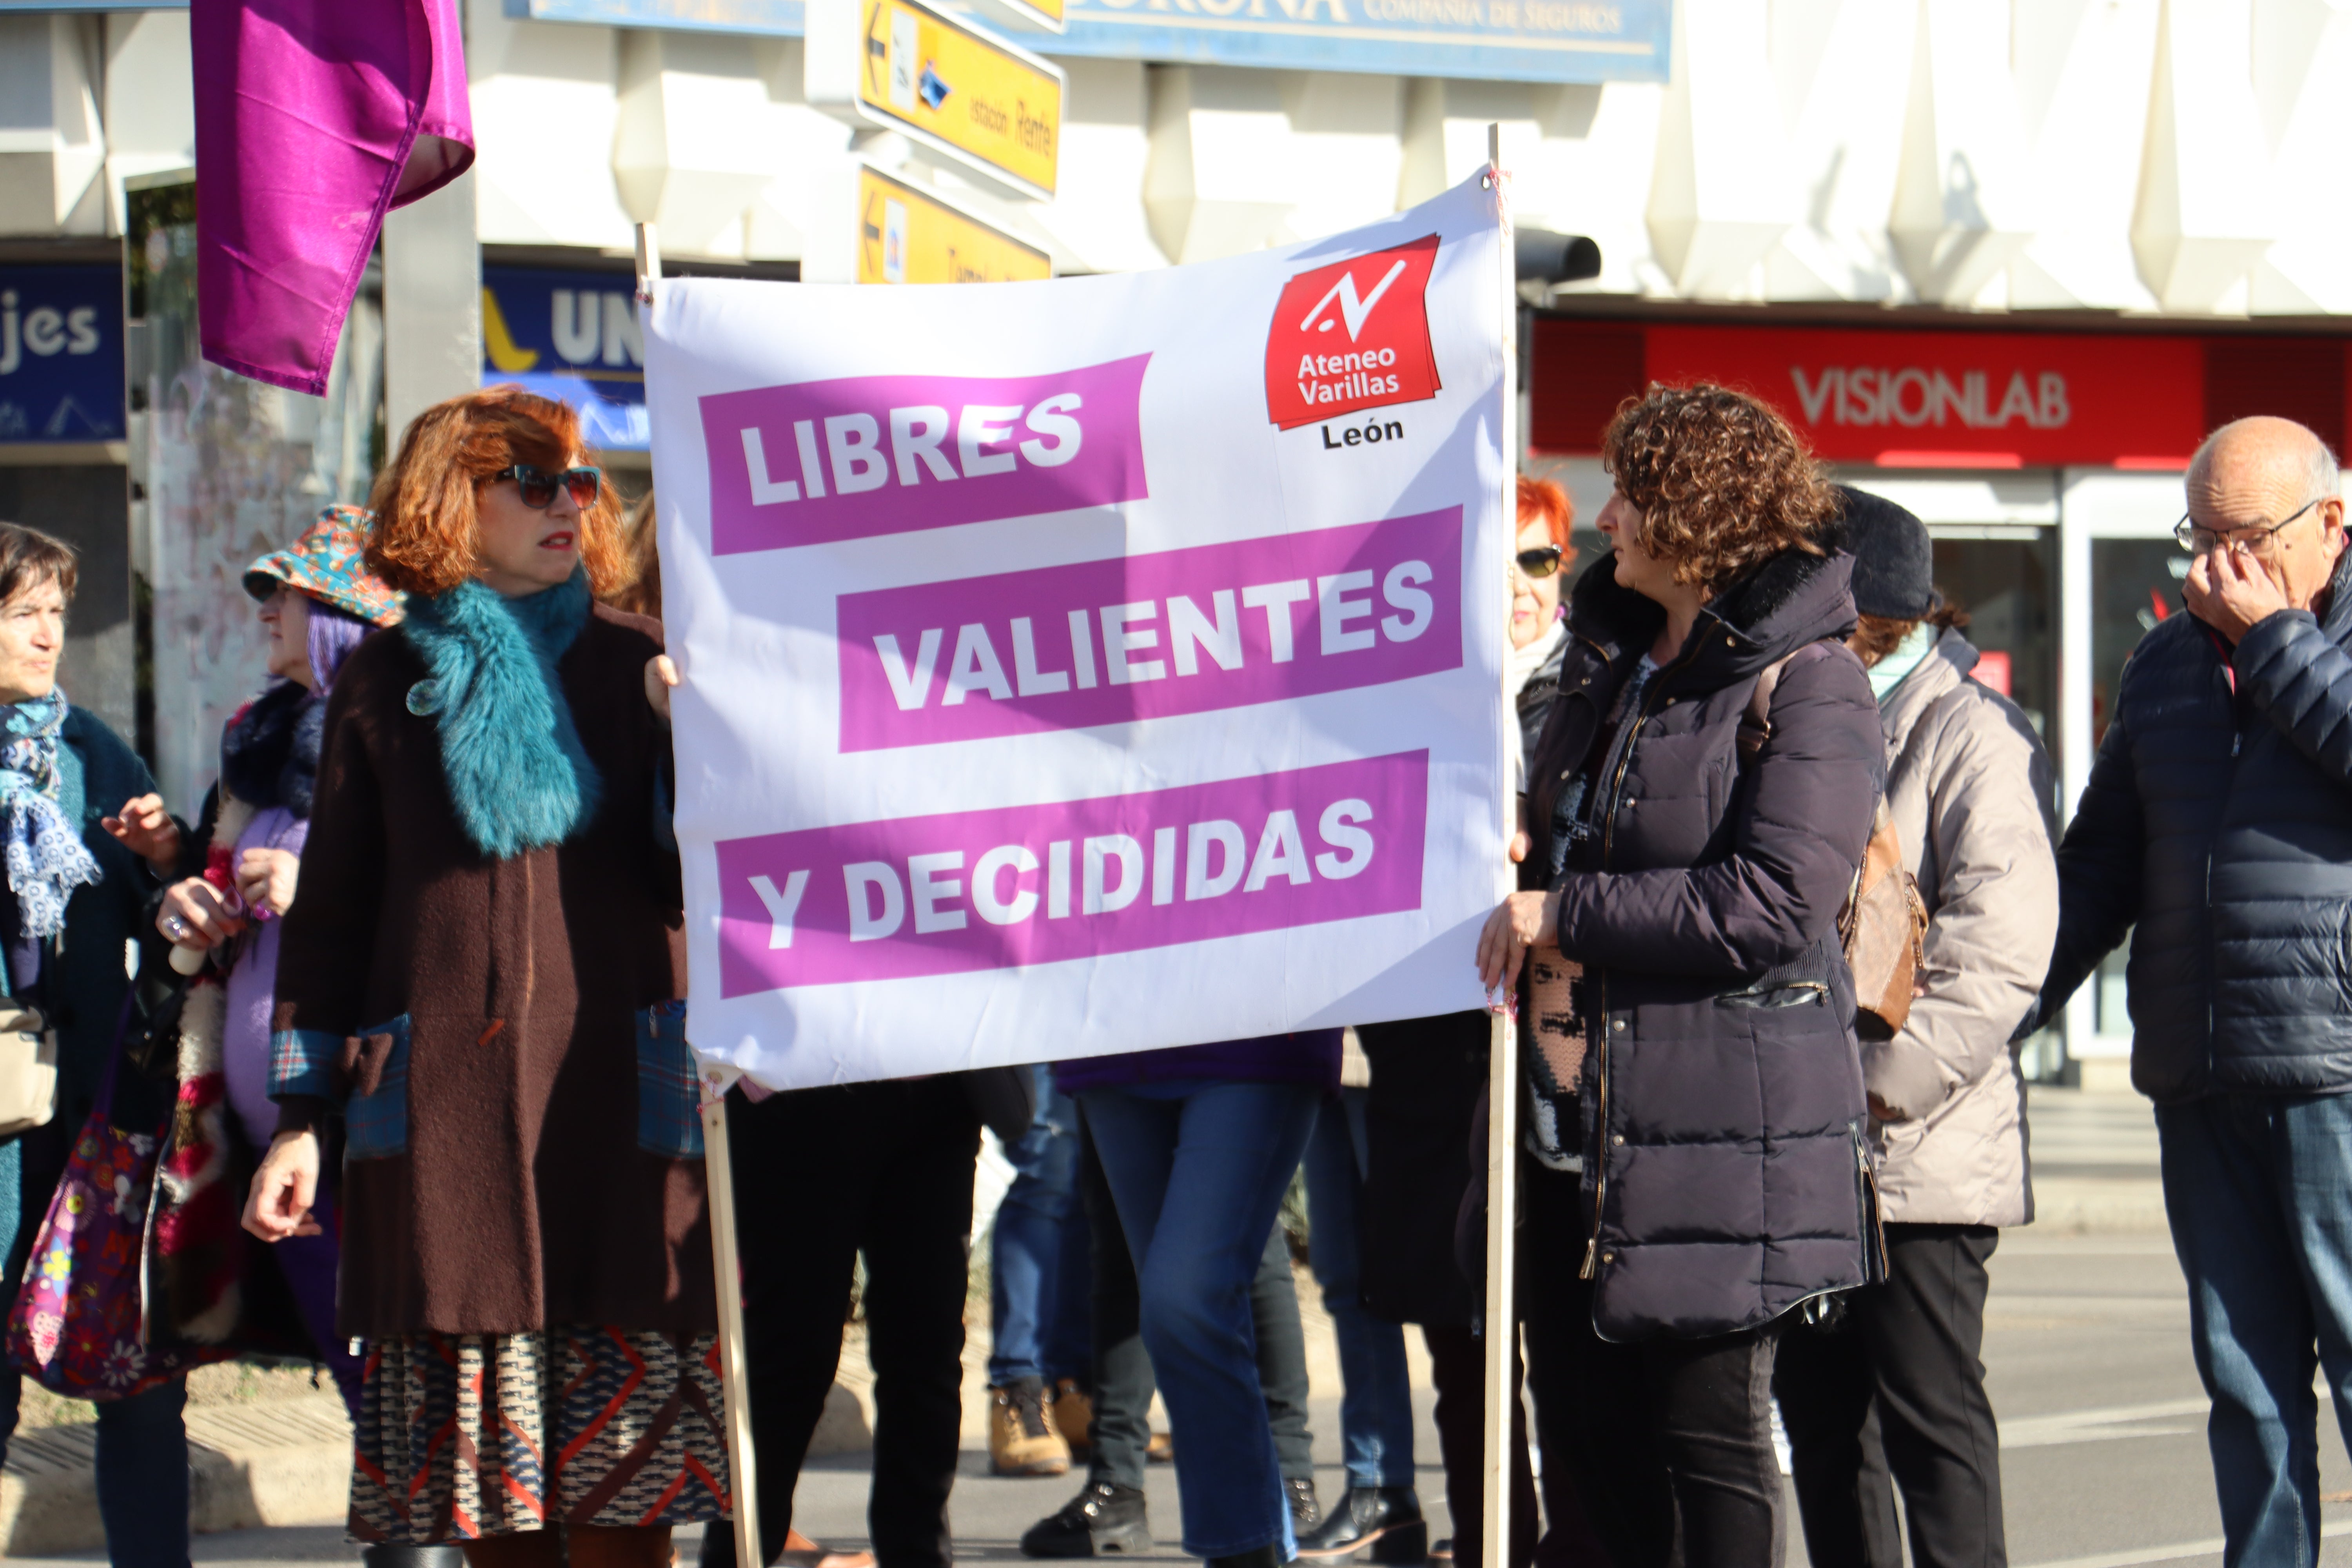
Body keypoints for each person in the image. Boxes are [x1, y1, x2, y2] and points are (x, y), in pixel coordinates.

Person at [243, 387, 726, 1568]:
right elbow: (334, 923)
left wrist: (692, 745)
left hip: (617, 1115)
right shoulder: (380, 682)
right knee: (488, 1518)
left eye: (577, 479)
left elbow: (702, 880)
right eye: (533, 480)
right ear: (453, 500)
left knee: (625, 1522)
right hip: (453, 1135)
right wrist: (302, 1120)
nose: (570, 501)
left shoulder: (644, 664)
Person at [1483, 382, 1882, 1568]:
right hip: (1574, 1131)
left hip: (1713, 1128)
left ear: (1693, 515)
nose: (1606, 514)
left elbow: (1773, 899)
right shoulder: (1609, 667)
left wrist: (1564, 905)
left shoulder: (1809, 680)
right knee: (1589, 1454)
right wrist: (1517, 844)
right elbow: (1570, 834)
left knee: (1706, 1450)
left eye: (1629, 492)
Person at [2029, 416, 2352, 1566]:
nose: (2214, 566)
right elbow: (2101, 862)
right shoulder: (2166, 661)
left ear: (2329, 527)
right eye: (2196, 535)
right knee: (2244, 1387)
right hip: (2196, 1068)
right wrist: (1998, 1010)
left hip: (2335, 1067)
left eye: (2247, 538)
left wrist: (2271, 638)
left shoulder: (2299, 635)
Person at [1774, 488, 2056, 1568]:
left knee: (1933, 1429)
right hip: (1812, 1147)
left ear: (1859, 615)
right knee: (1822, 1426)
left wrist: (1876, 1087)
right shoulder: (1807, 716)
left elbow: (2000, 955)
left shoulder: (1967, 730)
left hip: (1918, 1155)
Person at [1350, 473, 1578, 1568]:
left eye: (1541, 561)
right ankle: (1495, 1539)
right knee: (1462, 1335)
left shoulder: (1598, 688)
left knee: (1569, 1340)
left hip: (1560, 1062)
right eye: (1501, 563)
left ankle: (1569, 1542)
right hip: (1441, 1060)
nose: (1523, 587)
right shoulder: (1421, 690)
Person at [152, 507, 405, 1423]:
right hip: (265, 1132)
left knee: (393, 1397)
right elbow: (205, 893)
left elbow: (434, 914)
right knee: (362, 1391)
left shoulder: (397, 747)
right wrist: (180, 896)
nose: (267, 609)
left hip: (359, 1128)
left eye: (288, 594)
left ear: (340, 615)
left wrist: (309, 885)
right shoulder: (257, 751)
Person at [0, 521, 191, 1568]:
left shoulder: (93, 753)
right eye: (24, 613)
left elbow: (165, 914)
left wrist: (165, 858)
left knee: (138, 1390)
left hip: (92, 1130)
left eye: (58, 614)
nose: (48, 637)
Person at [1058, 1033, 1339, 1568]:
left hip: (1253, 1031)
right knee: (1185, 1312)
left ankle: (1247, 1548)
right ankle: (1261, 1542)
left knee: (1183, 1301)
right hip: (1113, 1042)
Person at [1022, 1109, 1317, 1557]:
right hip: (1117, 1053)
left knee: (1244, 1237)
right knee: (1118, 1237)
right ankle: (1116, 1481)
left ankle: (1287, 1473)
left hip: (1220, 1051)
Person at [1293, 1030, 1423, 1560]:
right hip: (1315, 1052)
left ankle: (1485, 1498)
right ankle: (1380, 1490)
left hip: (1406, 1045)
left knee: (1444, 1284)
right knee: (1347, 1278)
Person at [987, 1064, 1092, 1478]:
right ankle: (1018, 1390)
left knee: (1091, 1177)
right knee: (1045, 1169)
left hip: (1103, 1006)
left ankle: (1072, 1389)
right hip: (1037, 1009)